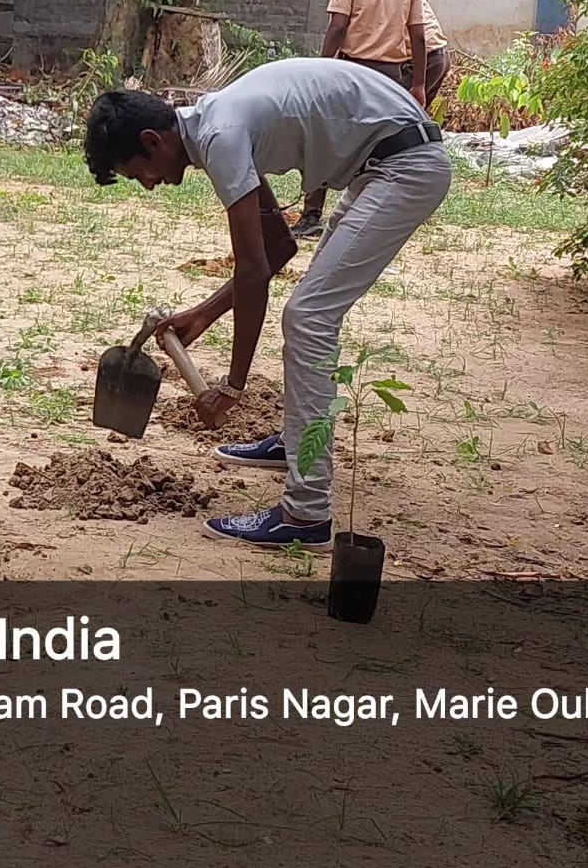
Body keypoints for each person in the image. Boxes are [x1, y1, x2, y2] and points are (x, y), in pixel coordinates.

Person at [83, 58, 451, 549]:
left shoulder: (222, 134)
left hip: (404, 166)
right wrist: (205, 313)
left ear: (153, 141)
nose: (148, 184)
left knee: (309, 317)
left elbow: (255, 269)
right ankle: (297, 443)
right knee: (309, 315)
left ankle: (305, 514)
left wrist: (232, 388)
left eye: (138, 174)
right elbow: (279, 248)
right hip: (381, 163)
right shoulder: (221, 123)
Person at [291, 0, 435, 240]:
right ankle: (376, 212)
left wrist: (323, 68)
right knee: (385, 146)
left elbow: (338, 27)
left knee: (325, 138)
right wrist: (418, 84)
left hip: (351, 73)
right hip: (390, 77)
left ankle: (312, 215)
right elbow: (419, 37)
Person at [319, 0, 451, 109]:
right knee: (406, 116)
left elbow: (341, 31)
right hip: (438, 57)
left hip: (422, 60)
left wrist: (321, 70)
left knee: (384, 112)